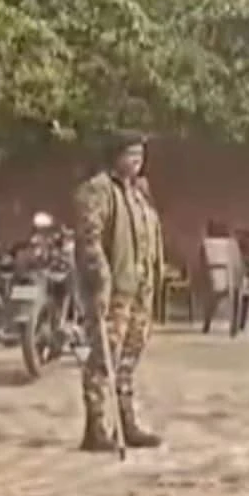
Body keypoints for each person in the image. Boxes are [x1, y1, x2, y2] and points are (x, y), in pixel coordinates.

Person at [73, 129, 165, 452]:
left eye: (141, 154)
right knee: (104, 357)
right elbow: (89, 239)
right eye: (130, 153)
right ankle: (97, 428)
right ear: (115, 156)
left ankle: (127, 422)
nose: (137, 160)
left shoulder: (139, 192)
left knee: (128, 358)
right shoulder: (99, 190)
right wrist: (100, 280)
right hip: (114, 291)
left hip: (139, 289)